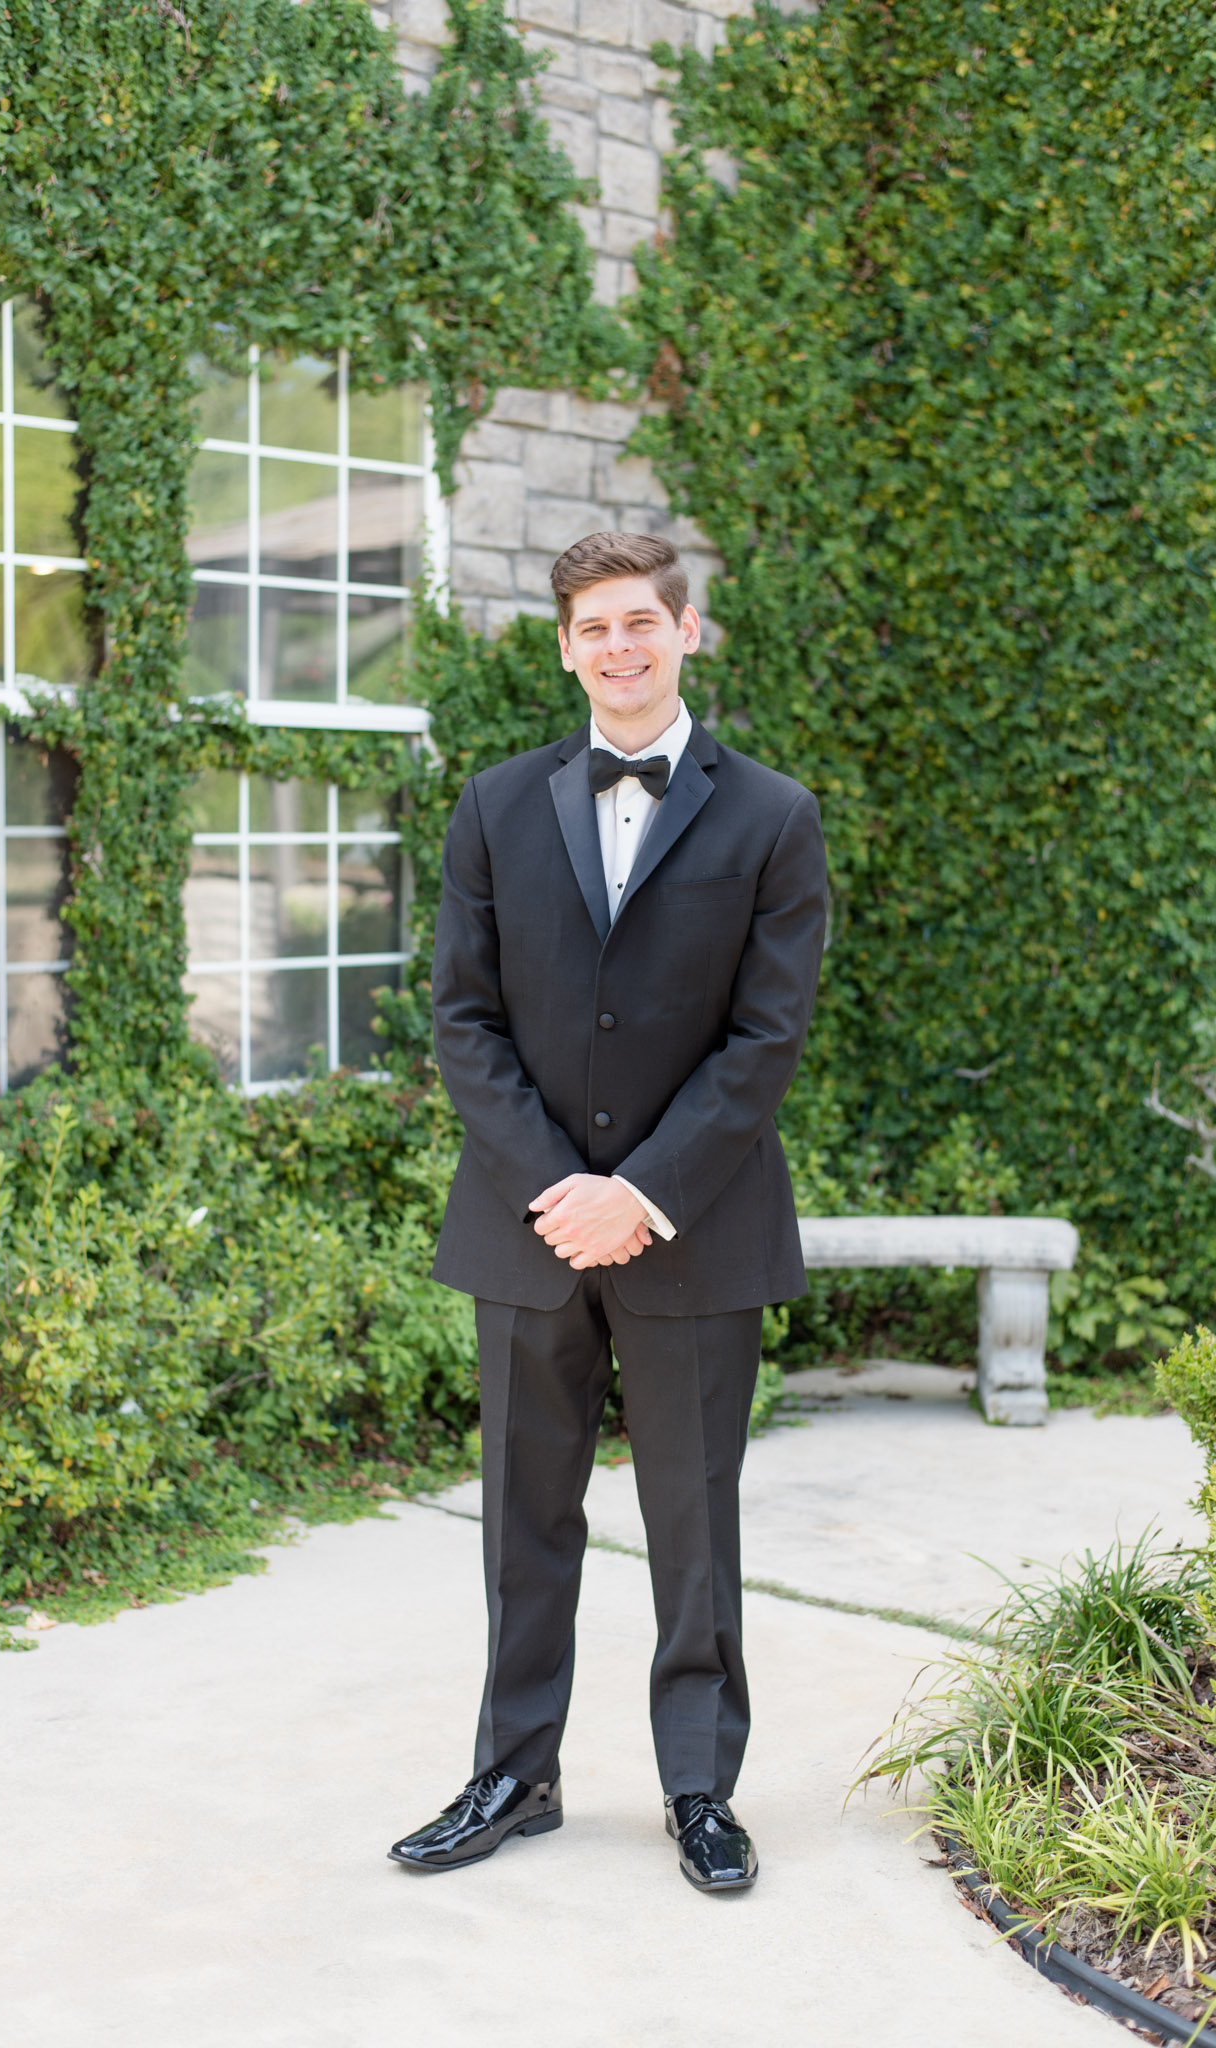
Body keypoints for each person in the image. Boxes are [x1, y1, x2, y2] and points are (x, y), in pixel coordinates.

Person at [390, 531, 828, 1892]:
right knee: (525, 1518)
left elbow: (765, 1038)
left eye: (643, 620)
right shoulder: (493, 806)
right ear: (566, 645)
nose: (620, 647)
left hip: (693, 1225)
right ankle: (515, 1776)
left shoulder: (773, 815)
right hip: (529, 1229)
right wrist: (560, 1192)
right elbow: (463, 1018)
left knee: (695, 1519)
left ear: (685, 632)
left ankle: (700, 1789)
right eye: (594, 627)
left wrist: (639, 1193)